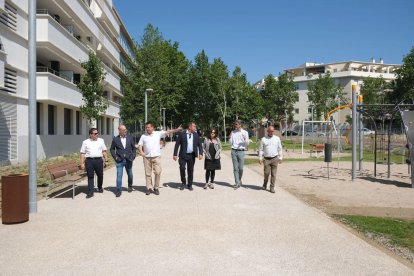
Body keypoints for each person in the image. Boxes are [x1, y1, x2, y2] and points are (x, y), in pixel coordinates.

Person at [138, 122, 182, 195]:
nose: (147, 129)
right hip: (147, 157)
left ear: (152, 127)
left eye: (148, 127)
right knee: (147, 173)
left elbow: (168, 131)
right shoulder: (143, 136)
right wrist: (141, 152)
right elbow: (140, 145)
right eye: (146, 127)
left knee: (158, 172)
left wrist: (177, 129)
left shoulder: (157, 133)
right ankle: (149, 188)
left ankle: (156, 187)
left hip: (156, 157)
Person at [173, 121, 203, 191]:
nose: (195, 127)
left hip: (191, 155)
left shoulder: (196, 135)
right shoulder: (182, 134)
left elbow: (200, 144)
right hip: (183, 155)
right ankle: (183, 182)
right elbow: (177, 144)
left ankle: (190, 184)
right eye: (194, 126)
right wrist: (175, 154)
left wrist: (200, 153)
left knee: (190, 170)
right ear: (190, 127)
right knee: (182, 168)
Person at [80, 128, 109, 198]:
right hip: (89, 161)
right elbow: (82, 153)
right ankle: (90, 192)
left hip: (99, 160)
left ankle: (99, 187)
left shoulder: (101, 141)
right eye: (95, 133)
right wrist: (82, 163)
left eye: (97, 133)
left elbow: (104, 151)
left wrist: (106, 161)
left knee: (100, 175)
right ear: (90, 134)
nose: (97, 134)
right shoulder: (85, 142)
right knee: (90, 176)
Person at [110, 124, 136, 197]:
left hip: (129, 160)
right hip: (119, 161)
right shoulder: (115, 139)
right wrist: (116, 157)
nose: (125, 131)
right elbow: (112, 149)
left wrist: (133, 156)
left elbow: (133, 148)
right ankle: (118, 190)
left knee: (130, 174)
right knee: (119, 175)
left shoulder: (130, 138)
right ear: (120, 130)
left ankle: (130, 186)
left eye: (126, 129)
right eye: (124, 130)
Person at [258, 125, 283, 193]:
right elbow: (261, 149)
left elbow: (280, 148)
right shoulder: (263, 139)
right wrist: (260, 158)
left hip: (275, 158)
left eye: (272, 131)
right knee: (266, 173)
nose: (271, 132)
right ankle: (265, 183)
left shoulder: (277, 138)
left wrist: (280, 157)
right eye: (270, 131)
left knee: (273, 174)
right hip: (266, 159)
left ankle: (272, 187)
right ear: (267, 131)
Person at [229, 120, 249, 189]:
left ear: (240, 125)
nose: (235, 125)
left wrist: (245, 139)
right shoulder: (233, 132)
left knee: (241, 168)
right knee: (235, 168)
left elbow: (247, 144)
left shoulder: (245, 132)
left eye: (236, 124)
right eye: (235, 124)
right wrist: (230, 138)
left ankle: (239, 180)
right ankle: (237, 182)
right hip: (234, 151)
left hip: (241, 151)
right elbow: (230, 143)